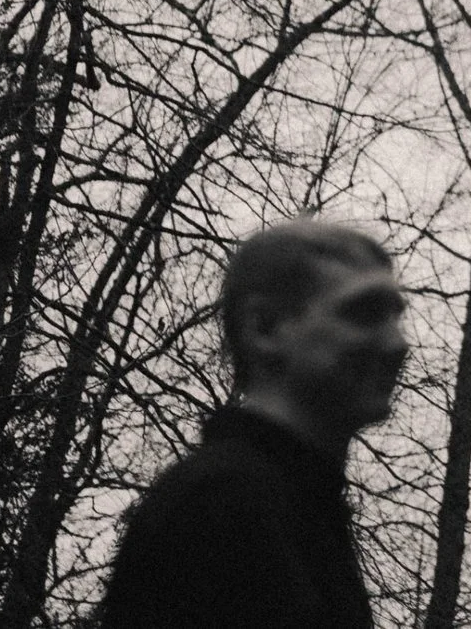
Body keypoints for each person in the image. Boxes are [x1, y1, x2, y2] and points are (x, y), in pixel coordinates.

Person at [98, 218, 409, 629]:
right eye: (364, 313)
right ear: (265, 328)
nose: (398, 343)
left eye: (395, 316)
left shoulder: (299, 509)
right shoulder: (219, 510)